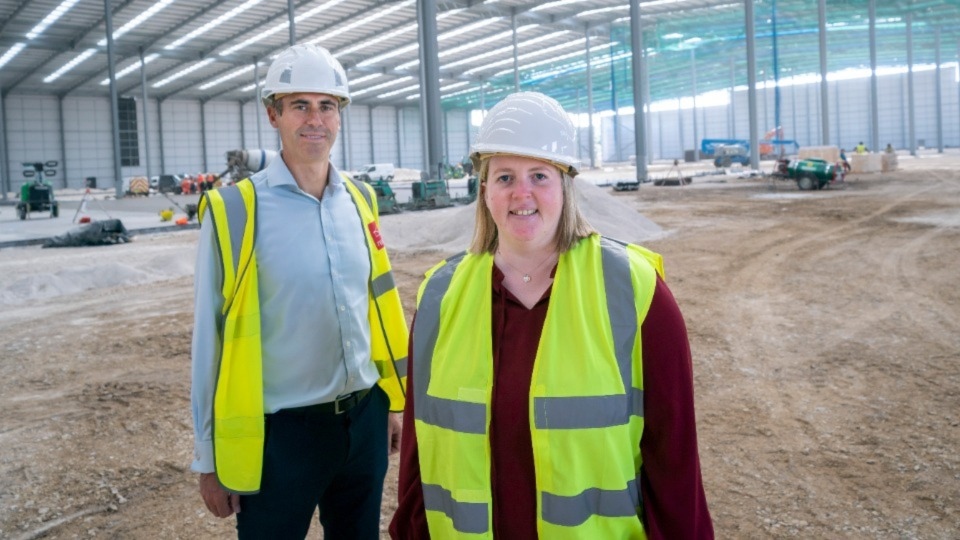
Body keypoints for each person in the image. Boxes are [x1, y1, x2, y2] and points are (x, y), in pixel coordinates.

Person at [389, 92, 713, 538]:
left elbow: (674, 459)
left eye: (539, 175)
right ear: (485, 191)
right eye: (505, 176)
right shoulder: (440, 297)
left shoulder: (635, 290)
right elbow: (417, 454)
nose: (522, 193)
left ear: (565, 185)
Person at [190, 43, 408, 539]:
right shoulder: (234, 211)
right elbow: (210, 339)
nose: (315, 119)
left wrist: (390, 404)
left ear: (340, 115)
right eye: (300, 105)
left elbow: (376, 307)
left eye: (327, 105)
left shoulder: (361, 198)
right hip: (281, 437)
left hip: (364, 420)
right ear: (274, 114)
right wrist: (209, 458)